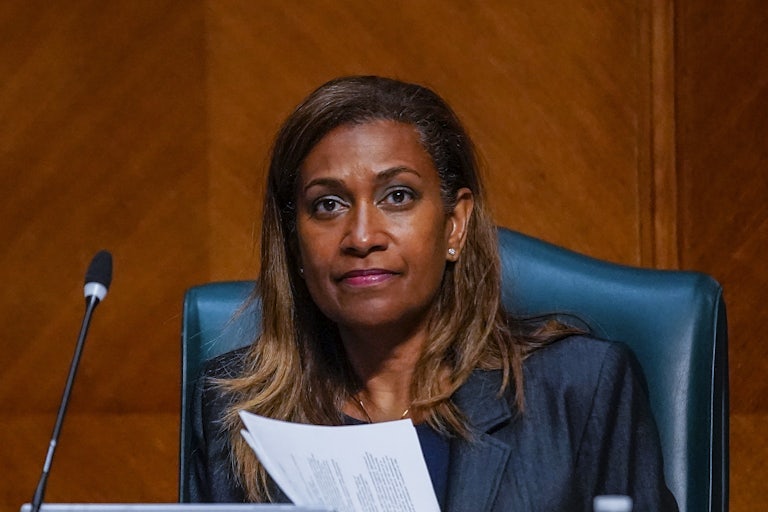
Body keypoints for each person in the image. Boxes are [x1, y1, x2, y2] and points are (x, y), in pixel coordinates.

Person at [190, 75, 679, 511]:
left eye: (397, 196)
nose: (362, 236)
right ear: (294, 240)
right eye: (328, 204)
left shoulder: (580, 388)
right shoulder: (234, 407)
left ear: (454, 223)